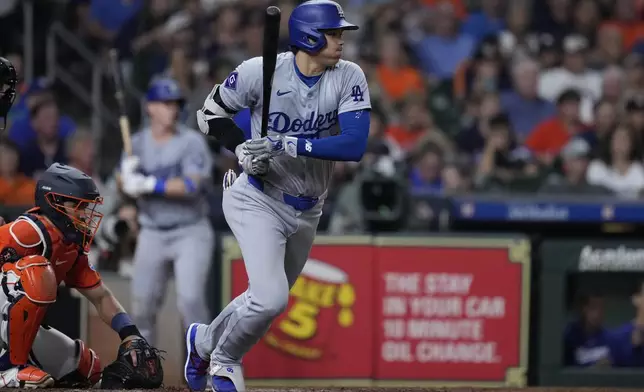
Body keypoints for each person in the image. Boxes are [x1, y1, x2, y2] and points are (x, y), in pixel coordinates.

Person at [187, 1, 371, 391]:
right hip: (258, 196)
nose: (340, 41)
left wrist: (287, 143)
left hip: (309, 207)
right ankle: (223, 362)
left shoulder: (349, 75)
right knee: (270, 299)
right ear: (309, 36)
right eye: (334, 33)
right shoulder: (261, 70)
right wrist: (240, 149)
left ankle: (202, 342)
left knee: (265, 299)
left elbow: (354, 144)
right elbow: (209, 115)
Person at [0, 163, 162, 388]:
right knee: (35, 270)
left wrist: (130, 334)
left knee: (87, 368)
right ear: (54, 203)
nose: (86, 214)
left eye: (87, 206)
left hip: (13, 330)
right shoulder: (25, 231)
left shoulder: (69, 246)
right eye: (78, 205)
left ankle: (15, 361)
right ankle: (9, 368)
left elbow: (101, 297)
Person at [117, 77, 214, 346]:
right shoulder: (135, 143)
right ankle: (144, 368)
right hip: (152, 231)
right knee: (141, 306)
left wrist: (149, 183)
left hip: (190, 230)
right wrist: (125, 179)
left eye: (174, 104)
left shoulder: (191, 142)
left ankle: (205, 369)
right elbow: (121, 183)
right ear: (150, 107)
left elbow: (192, 185)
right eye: (165, 103)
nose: (171, 109)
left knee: (191, 302)